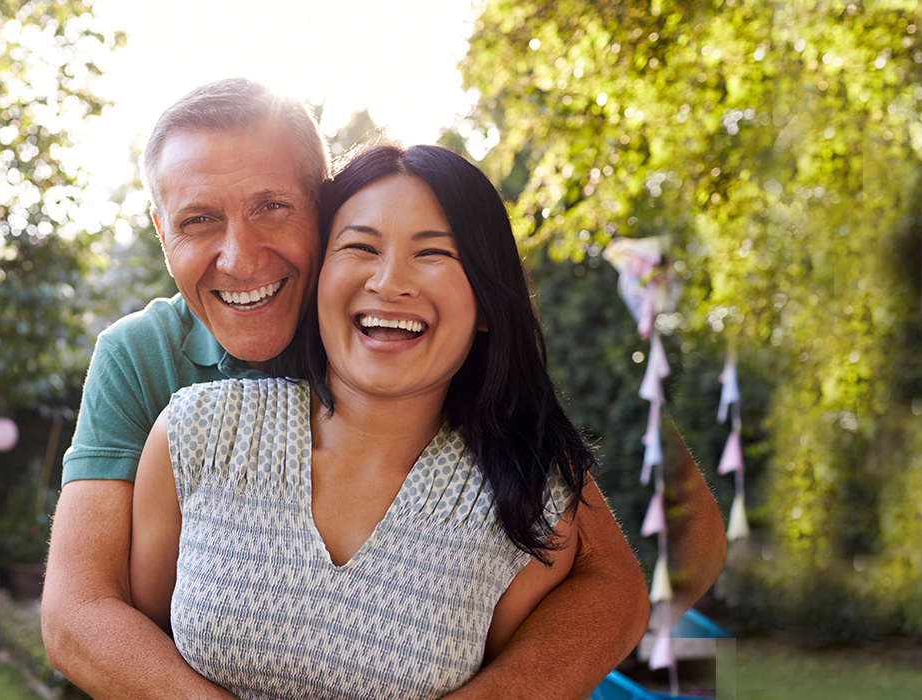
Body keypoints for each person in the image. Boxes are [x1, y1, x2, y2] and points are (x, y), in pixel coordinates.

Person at [41, 79, 652, 699]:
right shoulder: (149, 365)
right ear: (161, 231)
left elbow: (610, 584)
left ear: (323, 205)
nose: (242, 258)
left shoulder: (400, 334)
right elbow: (79, 612)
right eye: (198, 220)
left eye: (271, 207)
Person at [129, 142, 595, 698]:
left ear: (489, 305)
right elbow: (138, 652)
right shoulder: (196, 431)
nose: (389, 282)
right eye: (360, 247)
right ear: (320, 281)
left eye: (433, 254)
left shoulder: (532, 502)